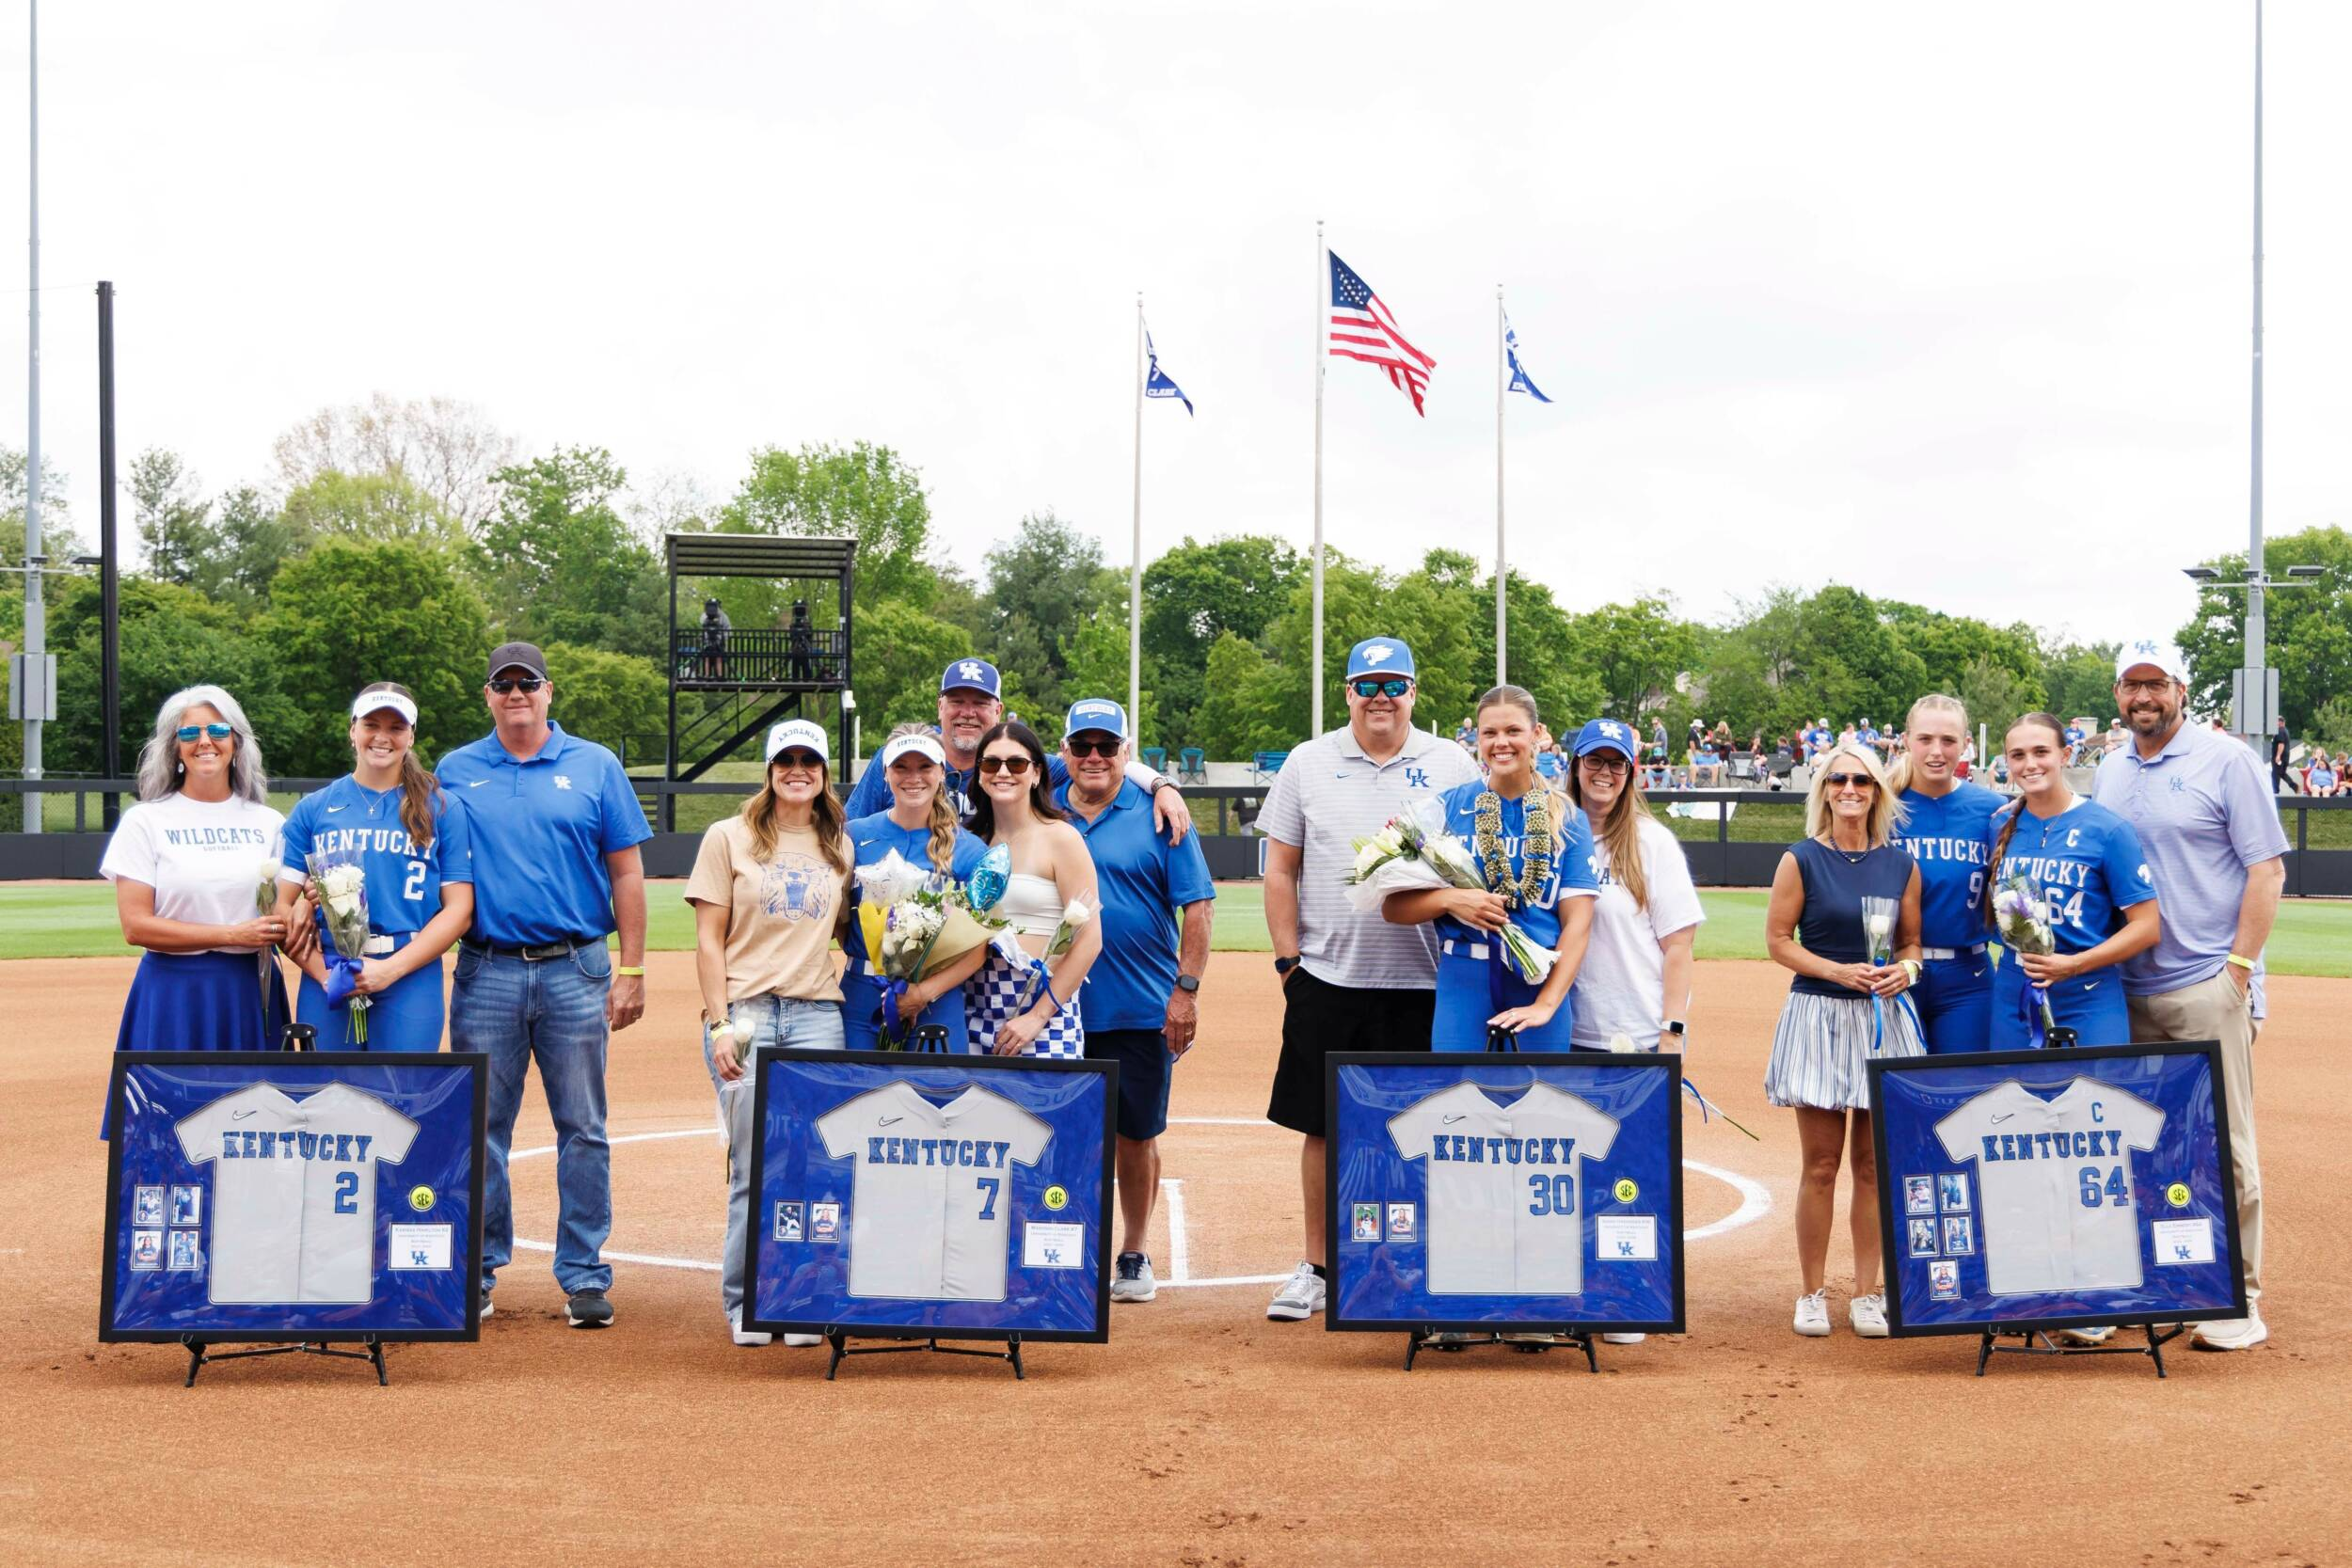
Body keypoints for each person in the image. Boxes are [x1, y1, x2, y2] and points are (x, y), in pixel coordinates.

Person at [1258, 637, 1480, 1323]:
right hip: (1328, 977)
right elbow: (1280, 868)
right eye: (1366, 684)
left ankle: (1417, 1262)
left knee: (1427, 1125)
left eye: (1394, 683)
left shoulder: (1450, 760)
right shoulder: (1308, 761)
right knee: (1321, 1126)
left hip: (1429, 982)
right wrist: (1290, 961)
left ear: (1414, 691)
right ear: (1347, 692)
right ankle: (1318, 1265)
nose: (1380, 696)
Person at [437, 642, 651, 1330]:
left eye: (527, 682)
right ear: (488, 695)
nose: (516, 693)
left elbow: (626, 872)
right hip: (488, 965)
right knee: (482, 1127)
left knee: (583, 1127)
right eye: (503, 684)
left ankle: (584, 1273)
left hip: (575, 965)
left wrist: (634, 967)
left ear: (549, 690)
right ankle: (480, 1267)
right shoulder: (456, 770)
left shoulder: (595, 765)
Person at [2093, 639, 2288, 1352]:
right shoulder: (2111, 767)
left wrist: (2238, 969)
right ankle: (2145, 1284)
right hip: (2127, 988)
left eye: (2155, 684)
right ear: (2118, 692)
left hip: (2205, 979)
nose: (2143, 697)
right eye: (2130, 685)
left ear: (2180, 687)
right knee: (2134, 1145)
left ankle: (2242, 1297)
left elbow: (2265, 869)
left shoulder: (2226, 758)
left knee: (2224, 1145)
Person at [685, 718, 852, 1348]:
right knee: (755, 1164)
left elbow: (843, 930)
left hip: (816, 1015)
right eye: (787, 758)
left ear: (824, 771)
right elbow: (707, 938)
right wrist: (721, 1021)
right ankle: (747, 1298)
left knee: (814, 1166)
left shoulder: (839, 842)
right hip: (748, 1013)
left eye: (810, 759)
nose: (798, 769)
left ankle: (802, 1293)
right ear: (770, 767)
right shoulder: (728, 837)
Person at [1052, 698, 1216, 1305]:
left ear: (1126, 752)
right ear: (1064, 752)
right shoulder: (1039, 806)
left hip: (1139, 1004)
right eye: (1082, 746)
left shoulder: (1158, 816)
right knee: (1057, 1129)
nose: (1094, 757)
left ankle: (1134, 1250)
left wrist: (1186, 991)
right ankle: (1060, 1245)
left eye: (1108, 747)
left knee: (1134, 1132)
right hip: (1052, 1005)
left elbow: (1197, 908)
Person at [1761, 739, 1925, 1339]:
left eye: (1861, 781)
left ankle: (1867, 1293)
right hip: (1820, 1016)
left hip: (1883, 1017)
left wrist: (1903, 973)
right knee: (1823, 1165)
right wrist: (1837, 970)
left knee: (1873, 1165)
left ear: (1877, 792)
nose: (1849, 790)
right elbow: (1779, 940)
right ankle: (1811, 1292)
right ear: (1823, 791)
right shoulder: (1800, 859)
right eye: (1838, 781)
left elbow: (1912, 944)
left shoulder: (1902, 865)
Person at [1385, 685, 1598, 1052]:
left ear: (1536, 734)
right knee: (1461, 1104)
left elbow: (1578, 923)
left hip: (1538, 982)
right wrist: (1450, 900)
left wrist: (1546, 1004)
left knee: (1540, 1103)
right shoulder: (1444, 810)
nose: (1502, 742)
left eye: (1513, 731)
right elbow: (1393, 908)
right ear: (1477, 739)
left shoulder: (1568, 818)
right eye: (1490, 733)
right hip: (1464, 984)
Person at [100, 687, 298, 1073]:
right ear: (174, 748)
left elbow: (284, 912)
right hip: (174, 990)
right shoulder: (145, 820)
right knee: (169, 1118)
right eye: (189, 734)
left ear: (236, 743)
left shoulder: (270, 823)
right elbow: (135, 926)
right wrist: (230, 935)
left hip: (249, 987)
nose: (205, 742)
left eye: (218, 731)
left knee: (252, 1120)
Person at [275, 683, 476, 1051]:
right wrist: (327, 976)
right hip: (330, 968)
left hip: (409, 971)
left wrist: (388, 970)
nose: (382, 737)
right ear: (352, 730)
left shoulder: (442, 807)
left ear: (411, 736)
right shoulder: (315, 808)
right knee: (327, 1097)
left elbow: (460, 910)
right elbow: (280, 910)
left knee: (402, 1098)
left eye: (396, 727)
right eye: (371, 724)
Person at [843, 657, 1193, 841]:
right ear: (940, 707)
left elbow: (1091, 762)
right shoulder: (902, 758)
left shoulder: (1017, 762)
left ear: (997, 710)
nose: (967, 712)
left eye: (980, 702)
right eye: (957, 701)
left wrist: (1161, 785)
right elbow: (851, 830)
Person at [1984, 712, 2159, 1050]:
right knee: (2014, 1098)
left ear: (2064, 756)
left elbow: (2147, 926)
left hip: (2088, 990)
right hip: (2014, 987)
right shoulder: (1999, 827)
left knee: (2095, 1097)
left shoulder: (2107, 829)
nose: (2029, 764)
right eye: (2018, 756)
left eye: (2041, 752)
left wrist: (2074, 965)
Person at [841, 725, 993, 1052]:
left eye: (924, 767)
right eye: (901, 767)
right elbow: (840, 921)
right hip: (862, 992)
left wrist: (922, 993)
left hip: (936, 999)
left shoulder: (968, 848)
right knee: (857, 1101)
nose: (913, 777)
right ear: (885, 773)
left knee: (938, 1100)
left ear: (942, 772)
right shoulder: (853, 836)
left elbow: (978, 949)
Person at [961, 721, 1102, 1058]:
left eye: (1017, 763)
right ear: (980, 773)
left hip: (1044, 1017)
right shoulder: (968, 843)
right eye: (992, 763)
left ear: (1036, 773)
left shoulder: (1062, 837)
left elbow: (1090, 938)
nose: (1003, 772)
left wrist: (1037, 1016)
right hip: (974, 1013)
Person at [1565, 718, 1703, 1061]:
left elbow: (1679, 947)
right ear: (1576, 764)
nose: (1605, 772)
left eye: (1617, 763)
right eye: (1595, 759)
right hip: (1563, 1031)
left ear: (1629, 773)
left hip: (1638, 1032)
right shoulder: (1554, 837)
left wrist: (1672, 1031)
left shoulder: (1653, 841)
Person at [1886, 695, 2002, 1054]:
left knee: (1963, 1098)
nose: (1937, 751)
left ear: (1966, 744)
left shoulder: (1993, 810)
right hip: (1894, 971)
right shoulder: (1882, 807)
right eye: (1925, 739)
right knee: (1893, 1097)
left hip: (1969, 976)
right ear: (1907, 741)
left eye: (1949, 740)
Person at [698, 596, 731, 680]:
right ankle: (707, 675)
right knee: (707, 657)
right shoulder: (705, 615)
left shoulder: (723, 616)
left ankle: (719, 675)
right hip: (707, 640)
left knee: (718, 657)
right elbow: (702, 623)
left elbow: (727, 628)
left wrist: (725, 638)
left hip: (719, 640)